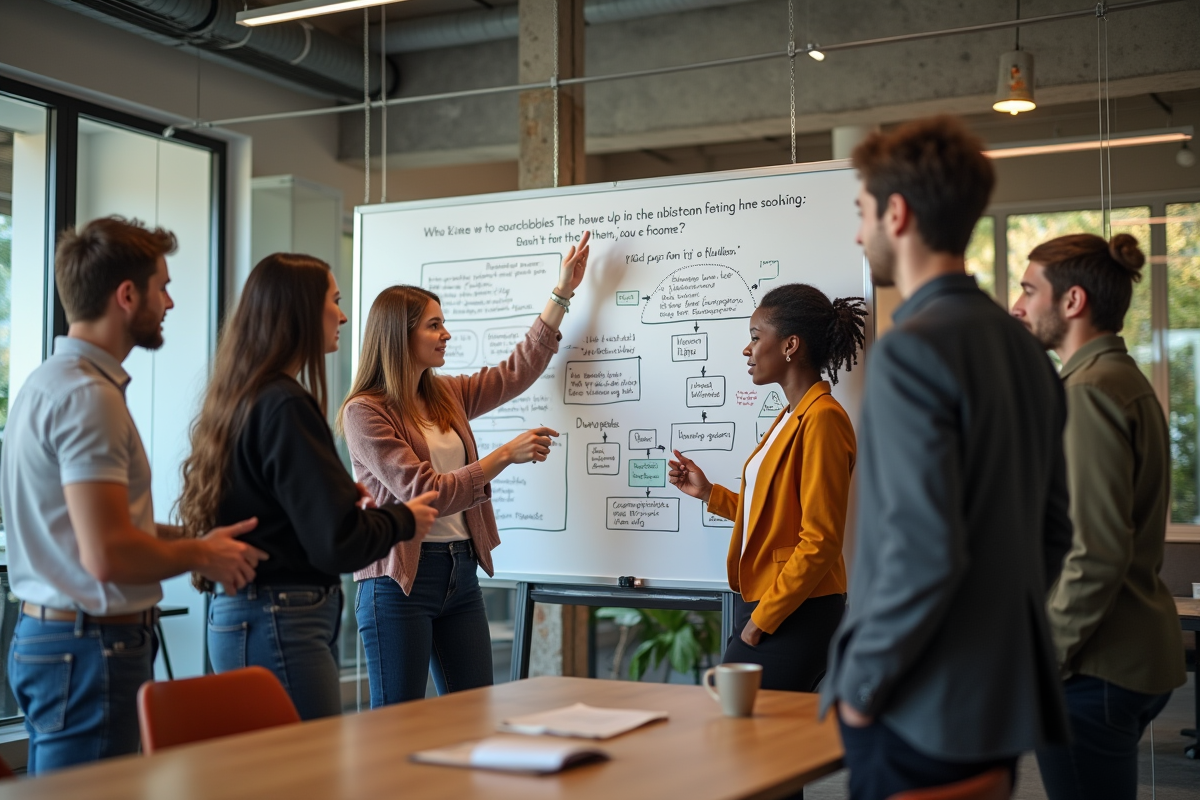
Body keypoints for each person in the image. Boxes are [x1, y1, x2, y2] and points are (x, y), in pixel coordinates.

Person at [819, 116, 1073, 800]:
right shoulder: (1026, 351)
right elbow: (1054, 533)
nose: (857, 232)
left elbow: (919, 551)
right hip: (995, 702)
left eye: (862, 212)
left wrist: (864, 690)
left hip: (914, 702)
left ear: (896, 214)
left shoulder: (911, 350)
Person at [0, 217, 267, 774]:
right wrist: (201, 555)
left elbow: (100, 527)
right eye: (162, 287)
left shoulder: (49, 382)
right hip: (91, 648)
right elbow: (108, 553)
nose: (169, 303)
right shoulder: (86, 398)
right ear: (126, 296)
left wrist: (196, 537)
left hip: (63, 642)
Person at [177, 253, 437, 721]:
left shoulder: (242, 396)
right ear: (298, 311)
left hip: (242, 615)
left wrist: (334, 500)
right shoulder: (285, 403)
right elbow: (336, 543)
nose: (341, 315)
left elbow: (280, 511)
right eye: (333, 301)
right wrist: (404, 517)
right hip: (282, 620)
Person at [340, 231, 590, 706]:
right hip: (398, 583)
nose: (446, 334)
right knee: (399, 725)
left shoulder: (445, 394)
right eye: (434, 325)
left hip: (460, 570)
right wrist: (501, 458)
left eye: (444, 323)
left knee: (473, 716)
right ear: (400, 334)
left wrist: (562, 294)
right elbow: (424, 491)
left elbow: (515, 371)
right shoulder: (364, 412)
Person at [1011, 233, 1186, 800]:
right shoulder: (1119, 380)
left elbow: (1096, 551)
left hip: (1093, 666)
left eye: (1028, 290)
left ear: (1072, 302)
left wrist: (1046, 660)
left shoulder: (1087, 392)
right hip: (1121, 653)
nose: (1017, 306)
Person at [667, 283, 866, 691]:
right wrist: (709, 494)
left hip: (796, 606)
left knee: (741, 734)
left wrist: (763, 620)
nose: (747, 349)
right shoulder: (790, 417)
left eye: (756, 337)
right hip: (770, 601)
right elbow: (774, 512)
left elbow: (822, 539)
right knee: (747, 738)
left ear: (791, 345)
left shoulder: (823, 419)